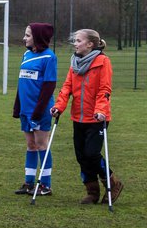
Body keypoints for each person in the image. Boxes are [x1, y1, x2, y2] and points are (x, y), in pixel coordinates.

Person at [51, 28, 123, 205]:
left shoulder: (102, 62)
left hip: (97, 118)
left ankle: (112, 183)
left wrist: (101, 111)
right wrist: (59, 107)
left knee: (91, 153)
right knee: (81, 156)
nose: (75, 44)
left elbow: (104, 89)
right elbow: (67, 86)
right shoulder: (75, 62)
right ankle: (92, 191)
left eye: (78, 41)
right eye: (74, 41)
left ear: (90, 44)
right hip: (78, 117)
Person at [12, 22, 57, 196]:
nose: (24, 38)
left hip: (40, 110)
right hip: (25, 109)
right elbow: (21, 82)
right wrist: (18, 106)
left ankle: (45, 185)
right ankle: (29, 183)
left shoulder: (49, 57)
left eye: (28, 35)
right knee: (30, 145)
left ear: (37, 37)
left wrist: (39, 111)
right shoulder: (26, 54)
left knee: (41, 145)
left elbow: (49, 86)